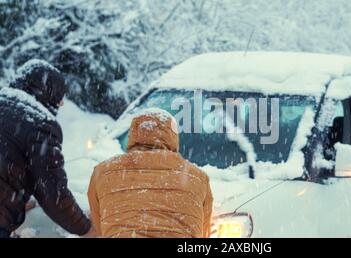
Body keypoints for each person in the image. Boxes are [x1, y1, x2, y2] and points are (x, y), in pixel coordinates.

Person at [0, 60, 94, 238]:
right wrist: (86, 228)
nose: (62, 103)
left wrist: (17, 202)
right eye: (60, 96)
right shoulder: (39, 124)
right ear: (49, 92)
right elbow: (52, 193)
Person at [88, 109, 213, 238]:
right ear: (173, 137)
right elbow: (203, 231)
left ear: (133, 134)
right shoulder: (198, 179)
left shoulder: (102, 173)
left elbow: (100, 224)